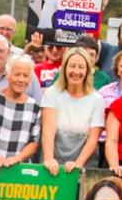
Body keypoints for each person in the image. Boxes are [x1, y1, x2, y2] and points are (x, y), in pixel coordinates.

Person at [41, 47, 105, 175]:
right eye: (72, 66)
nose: (76, 71)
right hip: (54, 161)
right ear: (64, 68)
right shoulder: (52, 93)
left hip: (84, 163)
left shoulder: (96, 99)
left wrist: (78, 163)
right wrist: (49, 159)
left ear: (88, 70)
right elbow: (48, 131)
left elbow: (93, 138)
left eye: (81, 67)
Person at [0, 55, 42, 167]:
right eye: (17, 74)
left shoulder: (34, 107)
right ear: (8, 75)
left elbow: (34, 142)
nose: (21, 80)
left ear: (30, 80)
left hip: (17, 169)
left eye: (25, 76)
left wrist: (16, 159)